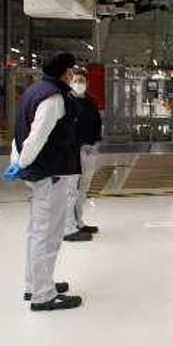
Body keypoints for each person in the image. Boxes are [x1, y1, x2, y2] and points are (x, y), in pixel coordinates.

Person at [10, 53, 83, 311]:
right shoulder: (53, 98)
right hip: (50, 173)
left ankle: (36, 284)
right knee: (48, 234)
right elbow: (36, 136)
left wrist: (18, 160)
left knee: (36, 231)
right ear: (65, 73)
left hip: (40, 172)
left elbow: (19, 132)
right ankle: (43, 295)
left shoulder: (35, 91)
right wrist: (24, 163)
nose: (74, 76)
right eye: (72, 71)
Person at [64, 69, 101, 242]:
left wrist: (95, 143)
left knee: (84, 188)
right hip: (73, 151)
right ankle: (68, 227)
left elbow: (96, 123)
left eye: (82, 81)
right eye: (76, 80)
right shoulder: (66, 101)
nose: (79, 83)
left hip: (90, 149)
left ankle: (79, 221)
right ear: (71, 81)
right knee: (71, 189)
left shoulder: (90, 101)